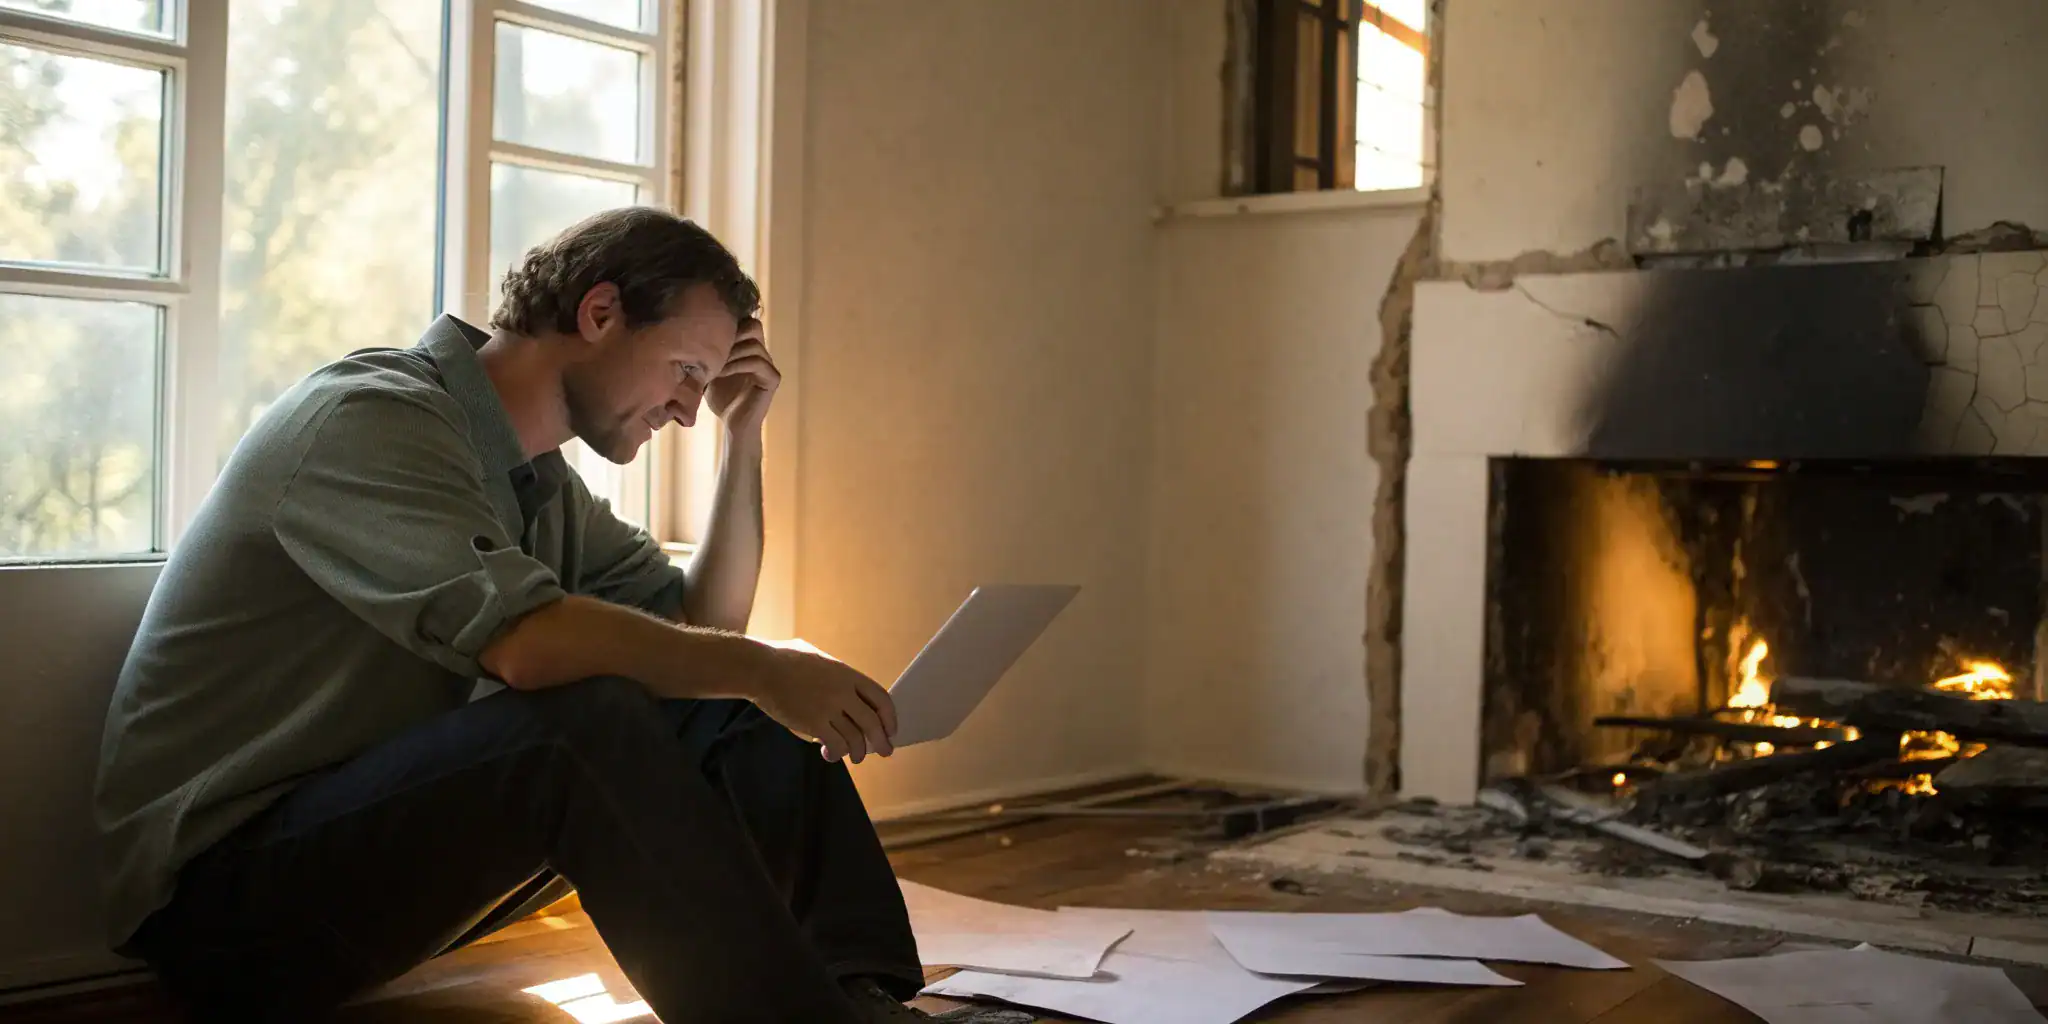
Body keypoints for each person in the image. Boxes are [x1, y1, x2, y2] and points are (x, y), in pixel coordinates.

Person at [94, 207, 1031, 1023]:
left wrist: (746, 443)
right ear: (598, 312)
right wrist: (762, 669)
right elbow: (531, 649)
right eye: (685, 370)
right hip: (223, 916)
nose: (689, 409)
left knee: (719, 692)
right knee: (584, 716)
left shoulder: (537, 486)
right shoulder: (372, 418)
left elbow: (705, 633)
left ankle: (861, 998)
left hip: (347, 871)